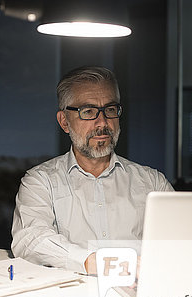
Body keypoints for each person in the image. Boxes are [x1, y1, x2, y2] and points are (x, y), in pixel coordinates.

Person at [11, 66, 173, 274]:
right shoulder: (40, 181)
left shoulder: (153, 183)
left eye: (110, 110)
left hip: (139, 293)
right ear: (64, 122)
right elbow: (30, 240)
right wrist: (94, 262)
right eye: (88, 112)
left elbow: (179, 241)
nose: (103, 123)